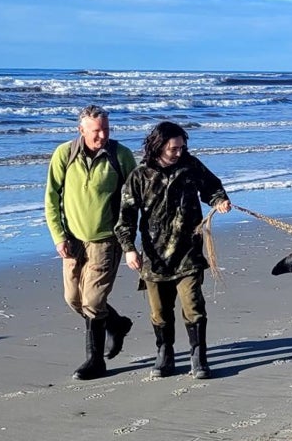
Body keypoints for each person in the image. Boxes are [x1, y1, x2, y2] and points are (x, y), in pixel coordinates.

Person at [114, 121, 231, 379]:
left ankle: (198, 357)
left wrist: (219, 200)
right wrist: (129, 249)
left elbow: (212, 187)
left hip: (188, 252)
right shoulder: (140, 176)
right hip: (154, 257)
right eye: (174, 148)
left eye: (182, 147)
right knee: (159, 312)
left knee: (193, 305)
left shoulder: (190, 166)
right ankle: (164, 353)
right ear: (158, 146)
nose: (179, 152)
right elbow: (126, 216)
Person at [43, 104, 137, 380]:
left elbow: (134, 198)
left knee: (94, 301)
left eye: (106, 129)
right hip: (72, 240)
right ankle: (117, 324)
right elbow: (51, 198)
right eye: (96, 131)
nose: (102, 135)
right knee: (73, 299)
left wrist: (129, 239)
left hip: (107, 240)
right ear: (81, 129)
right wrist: (59, 236)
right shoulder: (64, 154)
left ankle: (95, 361)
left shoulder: (120, 156)